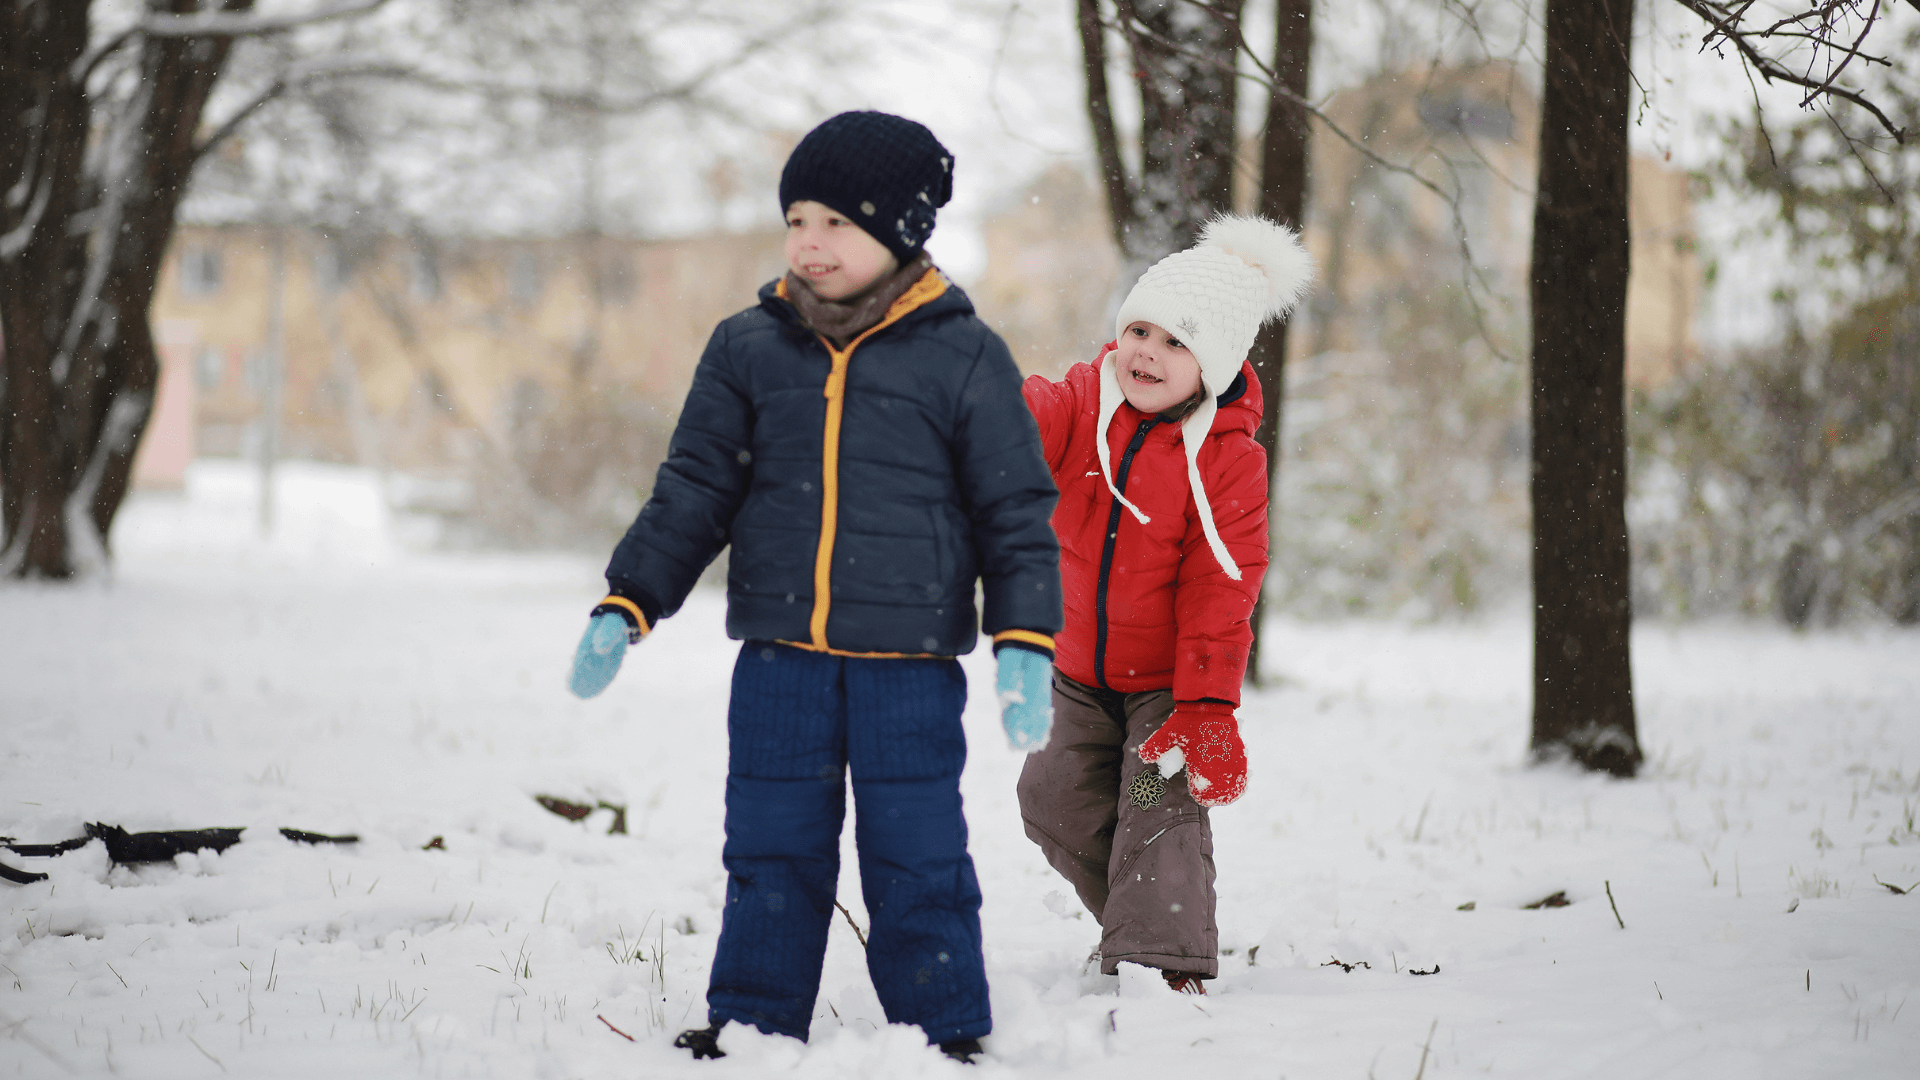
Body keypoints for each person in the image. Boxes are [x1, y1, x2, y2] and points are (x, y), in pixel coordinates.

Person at [564, 111, 1061, 1064]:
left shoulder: (962, 356)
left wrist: (1026, 641)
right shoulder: (749, 347)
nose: (809, 241)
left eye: (836, 221)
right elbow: (696, 487)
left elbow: (1015, 511)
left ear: (901, 231)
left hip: (907, 666)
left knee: (917, 853)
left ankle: (944, 1022)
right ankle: (753, 1018)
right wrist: (631, 598)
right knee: (770, 845)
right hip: (780, 659)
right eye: (797, 219)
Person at [1015, 215, 1310, 995]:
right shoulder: (1083, 406)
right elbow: (1026, 415)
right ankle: (1137, 916)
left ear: (1211, 363)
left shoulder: (1228, 460)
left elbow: (1225, 583)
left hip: (1165, 695)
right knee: (1049, 801)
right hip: (1076, 672)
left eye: (1176, 342)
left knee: (1154, 811)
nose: (1147, 350)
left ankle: (1161, 964)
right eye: (1139, 329)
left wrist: (1207, 704)